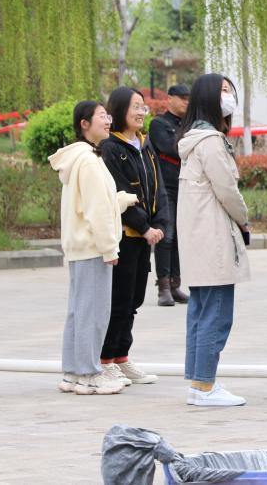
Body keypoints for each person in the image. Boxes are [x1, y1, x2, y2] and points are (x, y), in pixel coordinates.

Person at [50, 101, 139, 396]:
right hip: (93, 248)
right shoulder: (88, 160)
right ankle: (89, 375)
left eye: (107, 115)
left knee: (79, 312)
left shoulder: (82, 157)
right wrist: (110, 248)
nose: (108, 120)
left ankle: (73, 373)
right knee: (94, 313)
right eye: (101, 116)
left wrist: (121, 200)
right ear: (84, 124)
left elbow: (95, 202)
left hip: (81, 247)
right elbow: (96, 210)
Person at [177, 74, 251, 407]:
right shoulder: (210, 142)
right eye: (222, 91)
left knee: (201, 312)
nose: (228, 96)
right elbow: (227, 190)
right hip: (214, 240)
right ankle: (205, 386)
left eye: (230, 90)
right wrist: (244, 218)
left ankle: (199, 383)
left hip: (199, 241)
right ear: (207, 97)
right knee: (216, 315)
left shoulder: (193, 140)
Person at [98, 87, 170, 387]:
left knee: (135, 299)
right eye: (135, 107)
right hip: (125, 236)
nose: (141, 112)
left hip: (145, 236)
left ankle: (122, 357)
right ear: (119, 110)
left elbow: (159, 187)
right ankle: (105, 359)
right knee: (119, 299)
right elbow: (120, 192)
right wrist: (143, 226)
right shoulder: (110, 148)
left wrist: (161, 223)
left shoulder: (144, 144)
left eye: (143, 107)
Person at [148, 84, 191, 306]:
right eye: (182, 98)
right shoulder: (159, 124)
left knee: (179, 238)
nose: (186, 102)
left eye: (189, 98)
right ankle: (163, 287)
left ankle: (175, 285)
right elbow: (171, 148)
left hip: (185, 186)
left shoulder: (189, 125)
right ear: (170, 98)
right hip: (165, 188)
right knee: (167, 236)